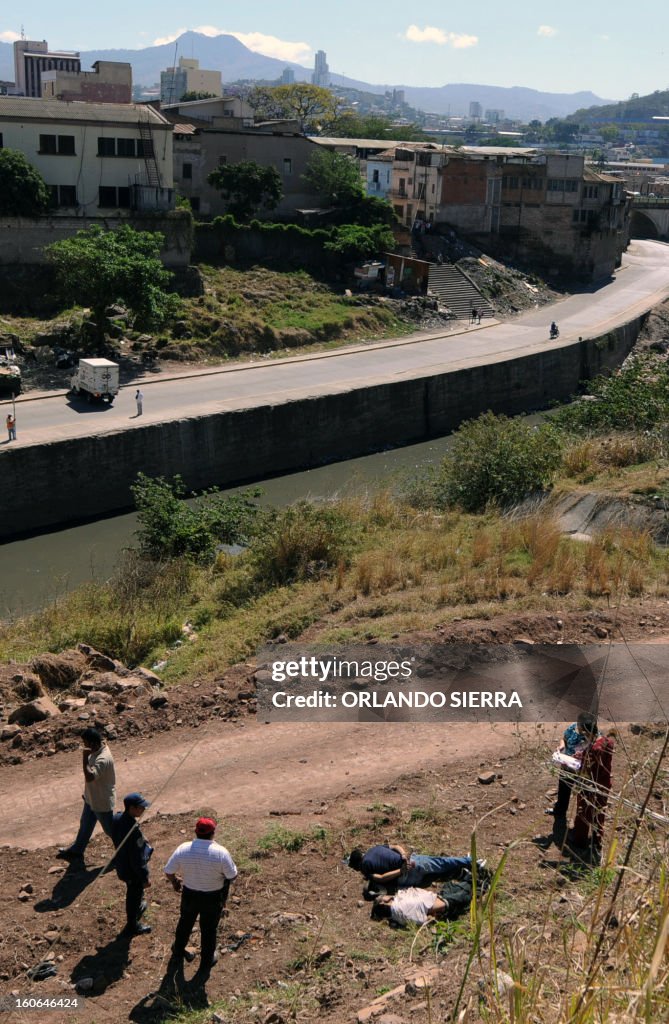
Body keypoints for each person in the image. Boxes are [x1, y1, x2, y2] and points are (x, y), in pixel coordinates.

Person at [164, 818, 238, 990]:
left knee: (185, 922)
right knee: (209, 929)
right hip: (212, 897)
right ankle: (206, 961)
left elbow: (168, 871)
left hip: (190, 894)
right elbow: (232, 876)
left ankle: (178, 951)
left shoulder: (183, 849)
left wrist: (175, 881)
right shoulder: (220, 852)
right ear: (213, 833)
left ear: (196, 831)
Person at [57, 728, 115, 863]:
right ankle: (77, 851)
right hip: (91, 798)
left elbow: (90, 777)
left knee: (111, 831)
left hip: (101, 802)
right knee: (85, 826)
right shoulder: (97, 749)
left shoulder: (103, 758)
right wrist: (87, 794)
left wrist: (84, 757)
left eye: (86, 743)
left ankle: (126, 849)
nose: (85, 746)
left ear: (94, 744)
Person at [372, 866, 491, 926]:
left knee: (453, 888)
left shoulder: (396, 915)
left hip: (438, 900)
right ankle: (480, 882)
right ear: (383, 903)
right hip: (440, 904)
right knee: (461, 893)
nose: (385, 896)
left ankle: (474, 879)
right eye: (382, 898)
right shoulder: (399, 905)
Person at [567, 722, 615, 861]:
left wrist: (575, 760)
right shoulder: (607, 742)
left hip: (589, 785)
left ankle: (579, 840)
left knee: (584, 812)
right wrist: (582, 754)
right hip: (604, 785)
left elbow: (588, 768)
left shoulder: (594, 749)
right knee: (599, 813)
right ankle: (597, 841)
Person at [111, 793, 153, 936]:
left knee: (135, 893)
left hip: (121, 864)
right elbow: (138, 860)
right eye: (141, 807)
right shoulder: (132, 831)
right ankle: (132, 925)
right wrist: (145, 878)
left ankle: (139, 906)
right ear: (132, 808)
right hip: (131, 871)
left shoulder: (117, 818)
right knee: (133, 895)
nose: (143, 809)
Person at [347, 843, 474, 891]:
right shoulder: (375, 848)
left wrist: (401, 871)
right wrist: (403, 854)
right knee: (440, 863)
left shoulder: (364, 866)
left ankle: (471, 862)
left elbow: (381, 878)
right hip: (412, 860)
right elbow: (396, 846)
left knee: (436, 872)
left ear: (357, 864)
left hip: (406, 874)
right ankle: (464, 864)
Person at [545, 712, 596, 820]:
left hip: (581, 770)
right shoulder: (572, 728)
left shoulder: (594, 736)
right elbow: (564, 738)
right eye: (579, 725)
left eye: (581, 727)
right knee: (563, 790)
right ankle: (560, 811)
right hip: (566, 765)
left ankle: (582, 819)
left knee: (582, 794)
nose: (579, 728)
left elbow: (594, 752)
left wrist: (583, 755)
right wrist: (562, 746)